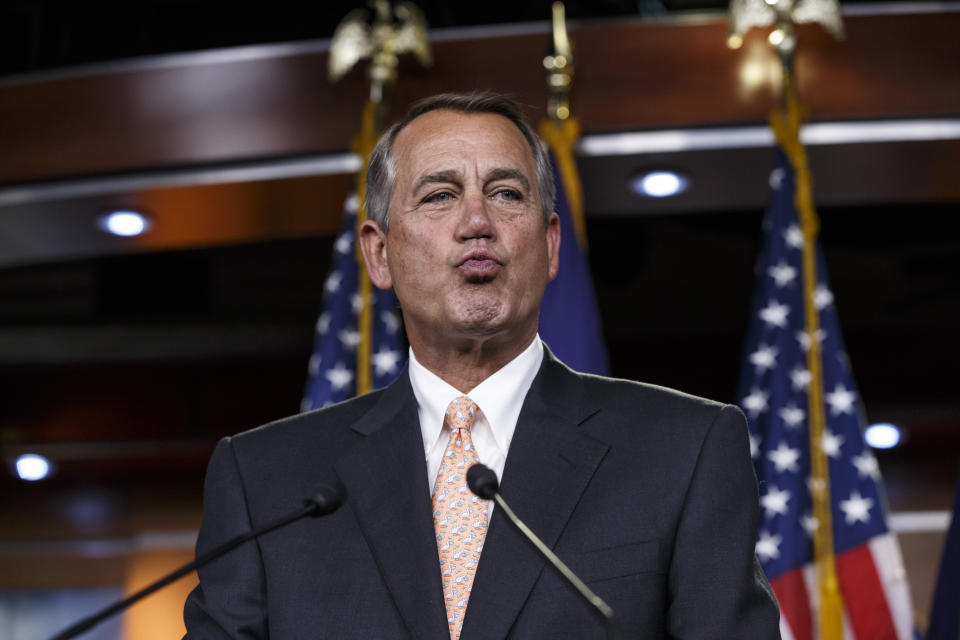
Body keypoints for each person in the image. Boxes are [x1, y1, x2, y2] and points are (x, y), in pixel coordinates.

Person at [183, 91, 780, 639]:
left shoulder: (684, 451)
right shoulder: (265, 481)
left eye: (506, 194)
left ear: (549, 246)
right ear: (379, 252)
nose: (476, 224)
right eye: (440, 195)